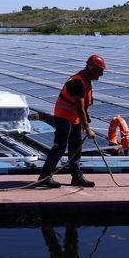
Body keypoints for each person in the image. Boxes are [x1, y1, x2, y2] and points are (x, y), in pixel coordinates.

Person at [38, 54, 105, 188]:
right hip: (64, 117)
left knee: (76, 147)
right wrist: (87, 129)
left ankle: (77, 177)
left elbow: (83, 108)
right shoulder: (78, 82)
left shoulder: (86, 81)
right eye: (100, 71)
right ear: (91, 68)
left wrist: (85, 122)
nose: (101, 74)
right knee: (60, 146)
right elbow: (79, 108)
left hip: (74, 118)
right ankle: (45, 177)